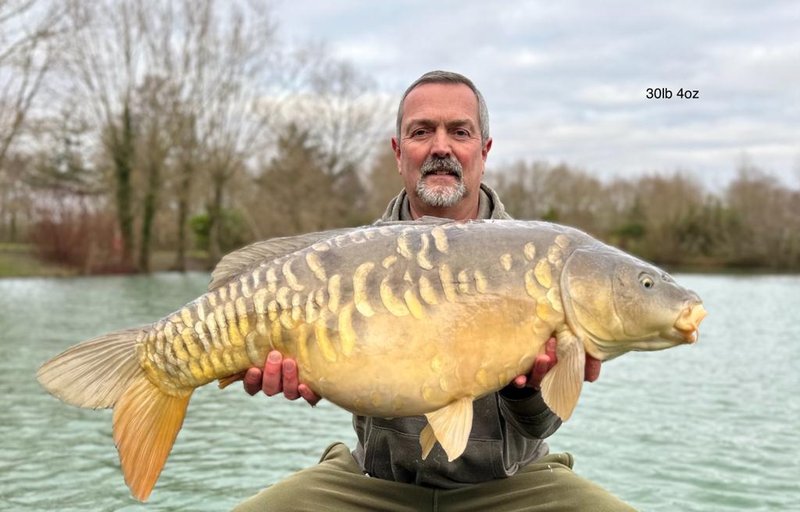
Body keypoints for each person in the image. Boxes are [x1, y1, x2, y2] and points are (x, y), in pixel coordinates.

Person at [232, 71, 635, 511]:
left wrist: (525, 388)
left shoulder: (541, 261)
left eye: (459, 132)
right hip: (375, 485)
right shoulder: (346, 262)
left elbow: (540, 426)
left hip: (513, 487)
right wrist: (282, 366)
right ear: (398, 151)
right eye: (422, 131)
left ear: (484, 151)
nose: (441, 146)